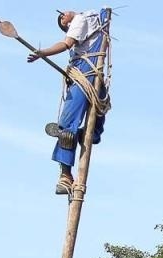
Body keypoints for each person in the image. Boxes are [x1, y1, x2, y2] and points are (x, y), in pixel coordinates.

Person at [27, 10, 110, 196]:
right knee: (67, 129)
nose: (63, 13)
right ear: (67, 26)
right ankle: (65, 176)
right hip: (84, 73)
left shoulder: (95, 19)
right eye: (61, 18)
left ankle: (74, 135)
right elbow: (66, 44)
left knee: (93, 133)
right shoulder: (79, 20)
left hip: (95, 74)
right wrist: (43, 53)